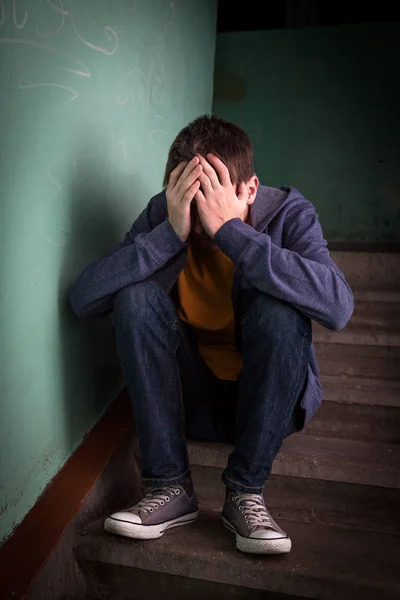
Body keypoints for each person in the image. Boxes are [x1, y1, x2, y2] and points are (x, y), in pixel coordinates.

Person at [70, 115, 353, 555]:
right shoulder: (167, 212)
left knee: (282, 310)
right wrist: (168, 234)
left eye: (213, 202)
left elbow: (337, 306)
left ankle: (246, 491)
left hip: (262, 405)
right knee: (136, 299)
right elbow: (84, 299)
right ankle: (169, 487)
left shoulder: (290, 212)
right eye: (190, 204)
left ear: (250, 190)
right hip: (192, 399)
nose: (200, 222)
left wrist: (232, 232)